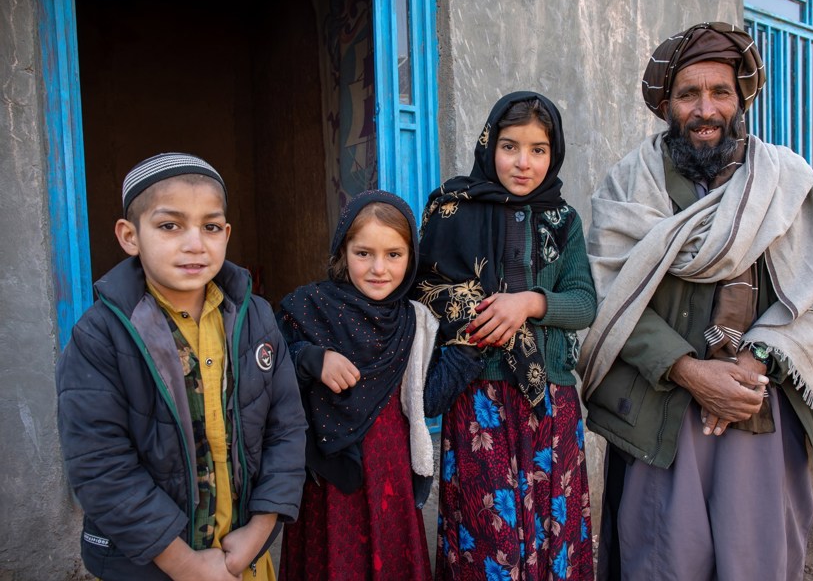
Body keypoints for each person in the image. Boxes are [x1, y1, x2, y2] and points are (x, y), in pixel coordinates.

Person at [578, 22, 813, 580]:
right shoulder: (628, 187)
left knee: (755, 559)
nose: (706, 110)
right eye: (689, 94)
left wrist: (758, 358)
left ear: (740, 99)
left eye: (720, 92)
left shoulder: (784, 181)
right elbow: (606, 295)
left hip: (760, 408)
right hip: (661, 411)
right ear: (667, 105)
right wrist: (687, 370)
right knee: (664, 559)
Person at [56, 152, 307, 581]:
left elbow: (286, 429)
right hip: (150, 564)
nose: (195, 243)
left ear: (226, 233)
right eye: (170, 226)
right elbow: (101, 466)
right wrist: (185, 565)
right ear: (129, 236)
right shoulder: (101, 336)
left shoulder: (256, 317)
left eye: (210, 227)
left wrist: (260, 529)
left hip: (242, 552)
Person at [415, 91, 597, 580]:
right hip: (477, 400)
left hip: (549, 403)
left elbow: (583, 303)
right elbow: (424, 291)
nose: (523, 162)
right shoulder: (452, 209)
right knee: (487, 538)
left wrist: (530, 303)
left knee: (551, 530)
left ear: (553, 154)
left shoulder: (564, 221)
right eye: (510, 146)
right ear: (488, 145)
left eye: (538, 149)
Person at [277, 190, 436, 580]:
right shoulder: (309, 307)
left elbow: (428, 396)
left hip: (390, 471)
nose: (378, 268)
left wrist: (470, 350)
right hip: (328, 478)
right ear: (342, 253)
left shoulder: (414, 322)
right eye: (363, 253)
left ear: (411, 258)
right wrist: (312, 360)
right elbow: (270, 371)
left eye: (394, 255)